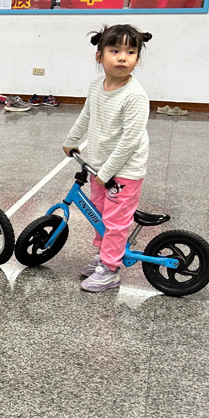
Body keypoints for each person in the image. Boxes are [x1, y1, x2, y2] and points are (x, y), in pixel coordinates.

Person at [62, 24, 152, 292]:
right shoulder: (96, 86)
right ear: (99, 56)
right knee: (99, 215)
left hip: (123, 171)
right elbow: (86, 115)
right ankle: (103, 256)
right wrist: (71, 140)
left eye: (131, 52)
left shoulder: (135, 96)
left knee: (115, 222)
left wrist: (106, 172)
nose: (123, 58)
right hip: (100, 166)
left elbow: (130, 142)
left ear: (137, 59)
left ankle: (111, 269)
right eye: (115, 51)